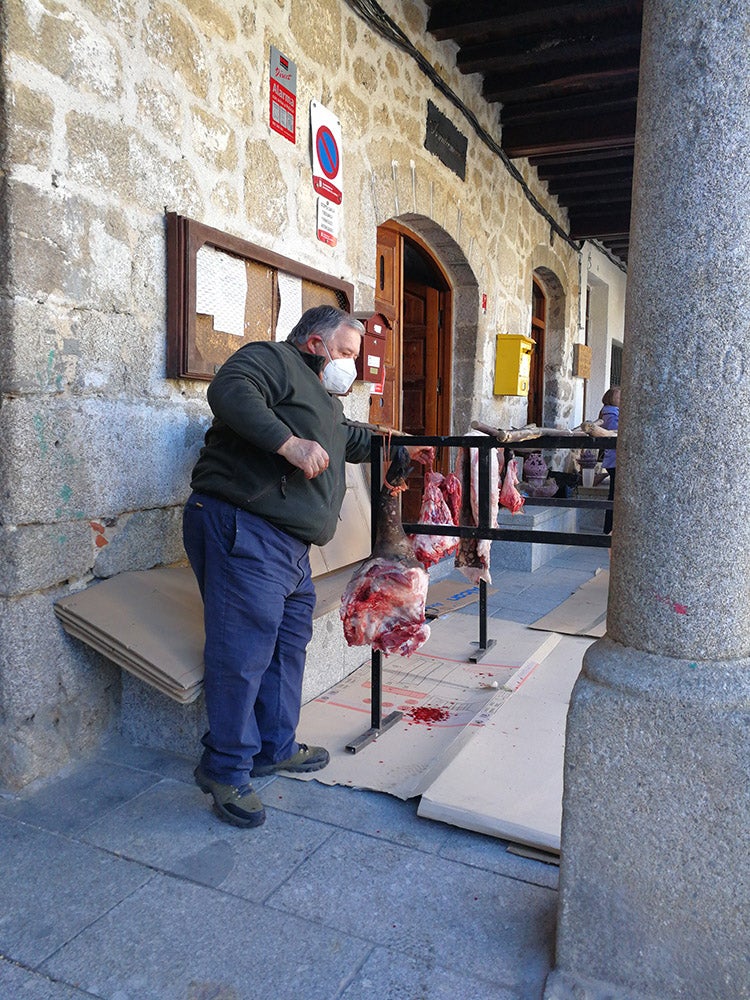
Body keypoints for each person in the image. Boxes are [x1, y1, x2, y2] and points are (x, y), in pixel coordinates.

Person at [183, 305, 428, 829]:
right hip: (243, 527)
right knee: (241, 652)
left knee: (287, 647)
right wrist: (288, 444)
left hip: (290, 548)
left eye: (355, 358)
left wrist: (401, 449)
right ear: (314, 343)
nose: (351, 366)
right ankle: (225, 769)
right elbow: (229, 391)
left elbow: (352, 441)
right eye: (344, 352)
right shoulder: (272, 359)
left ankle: (275, 745)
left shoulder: (325, 403)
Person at [599, 386, 620, 534]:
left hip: (613, 459)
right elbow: (615, 430)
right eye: (619, 397)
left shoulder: (611, 412)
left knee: (613, 493)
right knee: (613, 495)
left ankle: (609, 528)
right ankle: (609, 528)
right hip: (614, 459)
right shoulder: (611, 413)